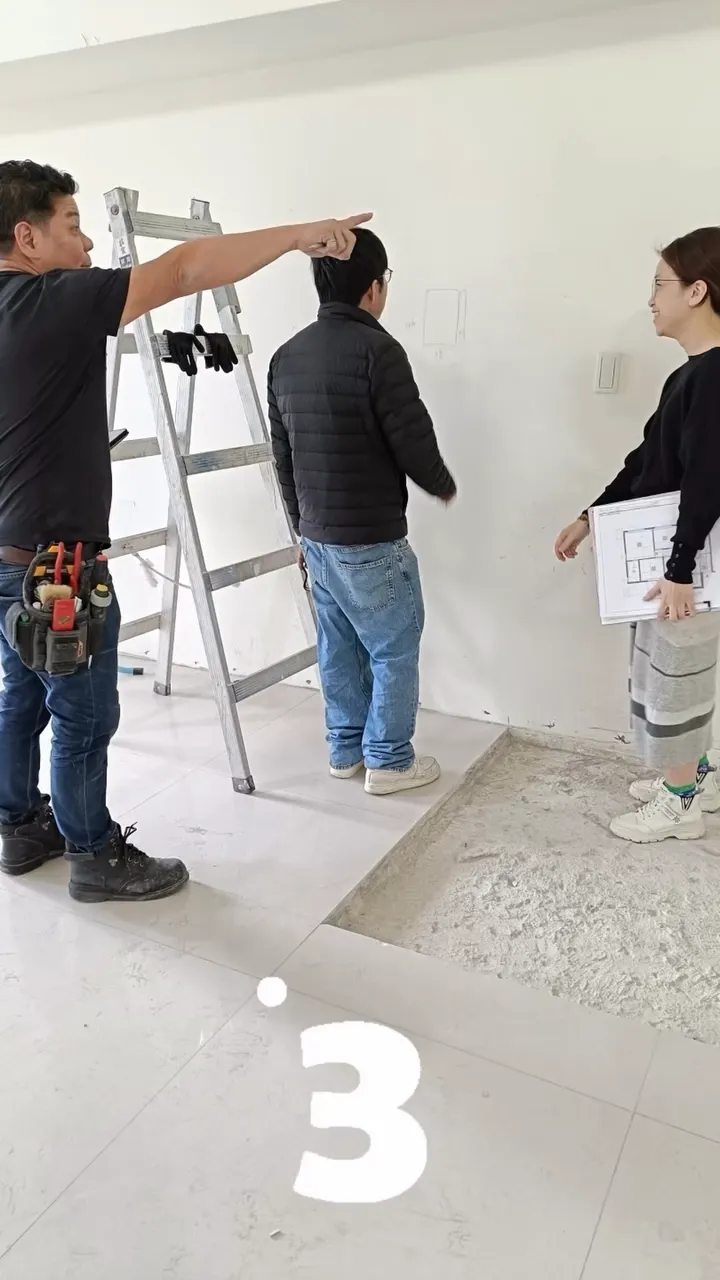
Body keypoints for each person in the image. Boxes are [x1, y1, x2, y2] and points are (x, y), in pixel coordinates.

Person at [0, 158, 371, 900]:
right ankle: (93, 855)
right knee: (84, 714)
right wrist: (298, 235)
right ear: (27, 237)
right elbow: (184, 269)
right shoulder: (51, 301)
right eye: (72, 226)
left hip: (9, 555)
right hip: (57, 564)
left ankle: (17, 826)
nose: (88, 244)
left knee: (21, 695)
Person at [268, 228, 456, 796]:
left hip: (318, 539)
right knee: (392, 647)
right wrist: (441, 484)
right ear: (374, 287)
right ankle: (390, 761)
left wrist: (300, 528)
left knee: (339, 646)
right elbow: (412, 437)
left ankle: (345, 750)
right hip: (370, 537)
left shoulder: (285, 356)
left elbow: (283, 457)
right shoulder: (379, 350)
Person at [555, 226, 720, 843]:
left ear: (697, 291)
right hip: (675, 557)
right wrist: (591, 516)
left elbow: (708, 479)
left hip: (688, 563)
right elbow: (647, 460)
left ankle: (681, 805)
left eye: (660, 285)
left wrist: (680, 569)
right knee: (667, 672)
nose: (651, 299)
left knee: (676, 679)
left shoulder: (714, 377)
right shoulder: (691, 375)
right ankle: (694, 776)